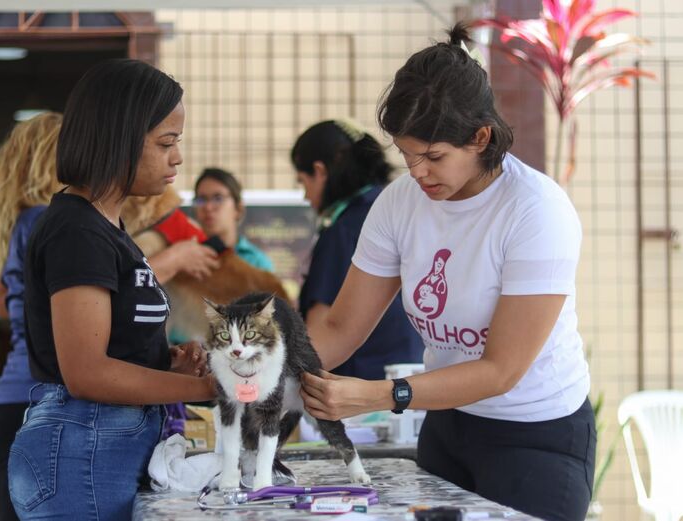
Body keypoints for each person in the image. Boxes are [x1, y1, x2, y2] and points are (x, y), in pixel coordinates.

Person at [300, 23, 595, 521]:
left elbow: (501, 370)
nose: (417, 173)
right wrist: (262, 373)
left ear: (481, 138)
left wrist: (380, 395)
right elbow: (337, 328)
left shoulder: (536, 210)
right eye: (406, 154)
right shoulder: (399, 203)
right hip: (447, 426)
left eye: (433, 156)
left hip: (536, 436)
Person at [8, 59, 215, 520]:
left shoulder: (107, 228)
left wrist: (168, 361)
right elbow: (87, 372)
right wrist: (205, 386)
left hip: (102, 447)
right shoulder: (75, 229)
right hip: (81, 452)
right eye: (166, 143)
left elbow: (112, 349)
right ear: (119, 138)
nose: (177, 157)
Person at [291, 120, 423, 380]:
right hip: (413, 376)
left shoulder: (345, 229)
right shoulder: (393, 209)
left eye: (302, 182)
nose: (305, 196)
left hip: (360, 387)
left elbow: (321, 336)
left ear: (320, 171)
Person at [0, 111, 63, 521]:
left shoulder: (22, 222)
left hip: (12, 399)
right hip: (35, 400)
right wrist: (170, 259)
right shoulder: (47, 221)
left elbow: (0, 303)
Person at [192, 167, 274, 271]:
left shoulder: (256, 262)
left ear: (238, 208)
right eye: (201, 200)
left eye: (218, 198)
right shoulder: (187, 256)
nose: (208, 207)